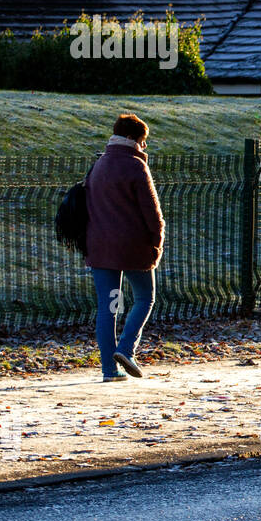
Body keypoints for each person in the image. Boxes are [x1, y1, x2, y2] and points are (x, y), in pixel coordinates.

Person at [85, 114, 164, 381]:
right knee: (145, 298)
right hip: (133, 248)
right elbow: (152, 213)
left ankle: (110, 370)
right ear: (132, 139)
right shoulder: (135, 167)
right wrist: (156, 243)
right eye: (143, 142)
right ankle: (127, 349)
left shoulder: (99, 164)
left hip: (100, 247)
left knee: (109, 308)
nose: (144, 148)